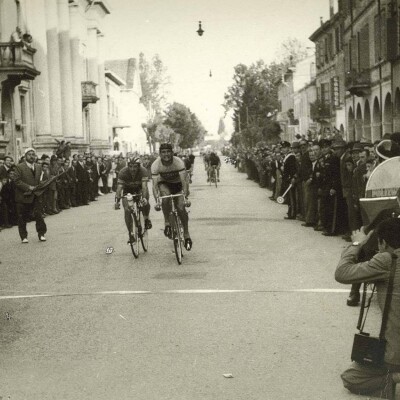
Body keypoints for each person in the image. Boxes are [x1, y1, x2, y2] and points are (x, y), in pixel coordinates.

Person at [335, 217, 400, 399]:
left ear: (384, 243)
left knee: (351, 377)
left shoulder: (387, 260)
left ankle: (394, 379)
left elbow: (342, 273)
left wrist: (357, 243)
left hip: (395, 354)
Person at [151, 143, 192, 250]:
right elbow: (154, 186)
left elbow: (184, 181)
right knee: (165, 197)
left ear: (172, 153)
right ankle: (167, 223)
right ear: (159, 154)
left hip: (178, 184)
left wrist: (185, 196)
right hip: (164, 183)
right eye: (163, 152)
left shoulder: (178, 162)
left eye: (168, 152)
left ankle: (186, 234)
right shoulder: (156, 165)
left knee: (181, 207)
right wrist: (157, 201)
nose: (166, 154)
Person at [114, 157, 152, 243]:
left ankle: (146, 219)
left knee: (145, 202)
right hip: (127, 191)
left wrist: (145, 198)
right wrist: (117, 202)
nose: (132, 169)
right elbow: (119, 188)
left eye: (135, 166)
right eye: (130, 166)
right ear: (128, 166)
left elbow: (145, 187)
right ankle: (130, 234)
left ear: (139, 166)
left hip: (140, 189)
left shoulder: (143, 171)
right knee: (127, 210)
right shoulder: (123, 172)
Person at [13, 148, 47, 243]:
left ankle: (41, 234)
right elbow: (17, 181)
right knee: (22, 217)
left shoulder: (38, 166)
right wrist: (28, 187)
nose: (32, 156)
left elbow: (40, 179)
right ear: (25, 156)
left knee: (39, 215)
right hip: (23, 196)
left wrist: (42, 184)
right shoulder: (19, 167)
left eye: (33, 154)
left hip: (36, 195)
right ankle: (23, 236)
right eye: (29, 154)